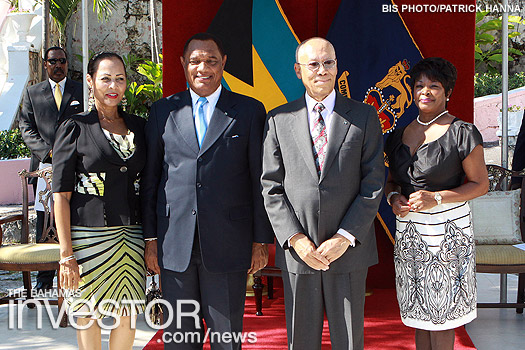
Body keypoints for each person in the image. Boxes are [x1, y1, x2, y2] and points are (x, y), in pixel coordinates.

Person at [141, 32, 273, 350]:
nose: (204, 68)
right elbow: (152, 179)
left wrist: (260, 241)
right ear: (183, 64)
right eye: (196, 61)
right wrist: (150, 240)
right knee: (180, 340)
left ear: (223, 63)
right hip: (174, 245)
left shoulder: (249, 111)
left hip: (229, 243)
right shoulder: (162, 112)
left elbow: (261, 180)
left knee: (227, 339)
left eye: (211, 61)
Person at [261, 37, 384, 350]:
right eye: (313, 64)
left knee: (349, 340)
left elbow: (373, 183)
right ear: (298, 70)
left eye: (328, 62)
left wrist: (344, 237)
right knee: (301, 340)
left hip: (348, 250)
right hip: (300, 253)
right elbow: (271, 186)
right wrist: (296, 240)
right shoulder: (278, 120)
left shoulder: (364, 116)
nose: (321, 70)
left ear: (337, 66)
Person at [384, 57, 489, 350]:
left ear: (448, 92)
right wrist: (393, 198)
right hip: (409, 236)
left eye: (434, 86)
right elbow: (391, 182)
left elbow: (481, 184)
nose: (425, 92)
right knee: (419, 316)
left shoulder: (463, 133)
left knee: (443, 317)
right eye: (419, 85)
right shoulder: (397, 135)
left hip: (448, 237)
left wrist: (437, 198)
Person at [52, 52, 146, 350]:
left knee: (126, 313)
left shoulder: (140, 127)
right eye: (105, 78)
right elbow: (61, 196)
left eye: (119, 78)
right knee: (87, 313)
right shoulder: (75, 127)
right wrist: (66, 255)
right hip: (87, 238)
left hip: (131, 237)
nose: (112, 85)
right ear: (91, 81)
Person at [19, 46, 83, 291]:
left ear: (67, 64)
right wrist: (49, 152)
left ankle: (76, 278)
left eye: (63, 61)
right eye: (53, 61)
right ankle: (43, 282)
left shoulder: (80, 90)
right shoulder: (32, 93)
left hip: (77, 164)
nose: (58, 65)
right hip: (44, 164)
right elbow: (26, 128)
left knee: (74, 218)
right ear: (45, 64)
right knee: (45, 223)